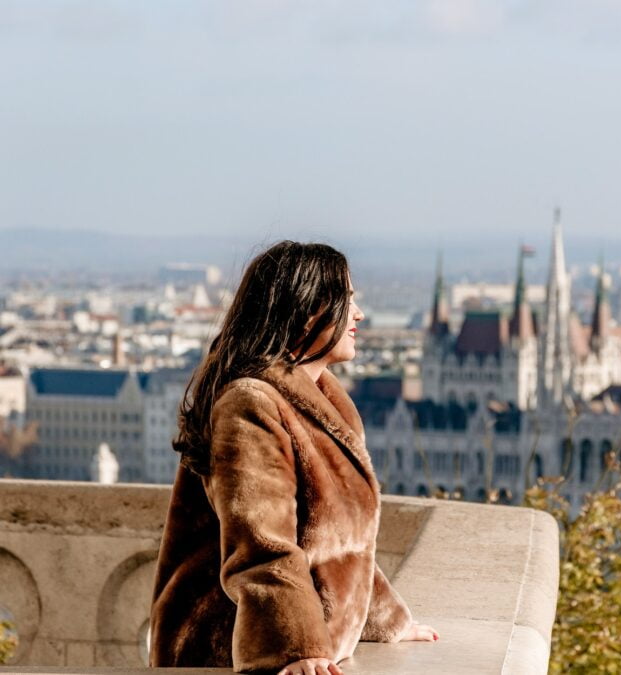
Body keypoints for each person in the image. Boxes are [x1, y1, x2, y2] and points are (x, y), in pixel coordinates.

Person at [150, 241, 437, 675]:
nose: (358, 314)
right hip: (227, 651)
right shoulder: (249, 403)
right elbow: (262, 541)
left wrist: (388, 621)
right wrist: (293, 646)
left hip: (311, 651)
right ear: (305, 310)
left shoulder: (327, 405)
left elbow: (343, 542)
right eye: (348, 301)